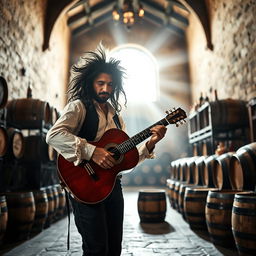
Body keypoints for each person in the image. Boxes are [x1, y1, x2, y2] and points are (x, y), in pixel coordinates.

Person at [46, 45, 167, 256]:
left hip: (112, 188)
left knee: (114, 248)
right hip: (85, 185)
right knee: (96, 249)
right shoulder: (78, 107)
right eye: (100, 83)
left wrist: (150, 143)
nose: (106, 89)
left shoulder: (116, 118)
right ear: (91, 83)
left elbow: (124, 160)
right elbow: (53, 136)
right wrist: (93, 151)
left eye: (110, 84)